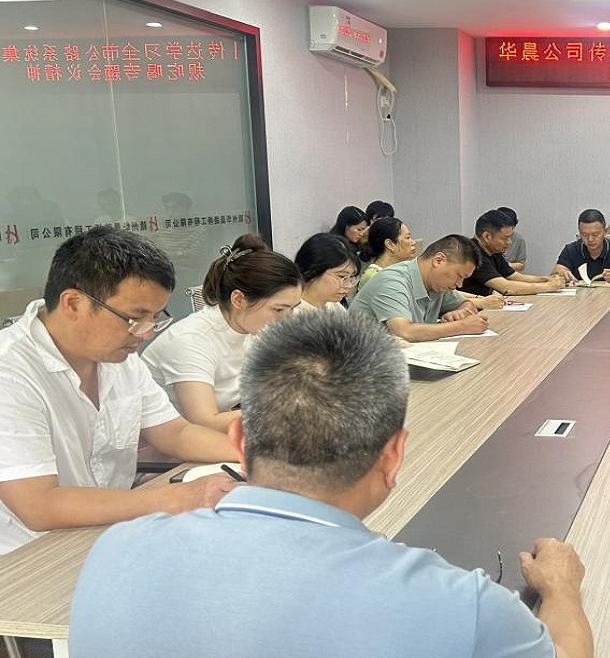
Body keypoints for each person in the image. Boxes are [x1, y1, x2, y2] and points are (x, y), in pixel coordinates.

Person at [68, 311, 593, 658]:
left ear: (239, 440)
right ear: (394, 456)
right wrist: (561, 588)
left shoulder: (118, 550)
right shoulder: (459, 605)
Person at [0, 226, 238, 558]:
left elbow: (175, 433)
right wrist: (181, 497)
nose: (145, 333)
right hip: (30, 556)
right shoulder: (10, 371)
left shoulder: (117, 355)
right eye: (135, 318)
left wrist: (256, 458)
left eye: (155, 317)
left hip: (111, 530)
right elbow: (39, 505)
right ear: (73, 304)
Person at [142, 233, 302, 432]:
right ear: (238, 300)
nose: (288, 318)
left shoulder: (253, 328)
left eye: (293, 308)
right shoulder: (190, 341)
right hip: (171, 447)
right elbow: (205, 421)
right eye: (279, 309)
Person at [350, 234, 489, 341]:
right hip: (362, 363)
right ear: (438, 260)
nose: (459, 284)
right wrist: (461, 326)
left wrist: (460, 312)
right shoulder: (392, 281)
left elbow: (466, 304)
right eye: (459, 276)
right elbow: (404, 332)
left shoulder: (437, 284)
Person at [466, 209, 567, 296]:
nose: (509, 242)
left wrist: (546, 279)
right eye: (505, 238)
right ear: (487, 236)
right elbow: (506, 287)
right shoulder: (472, 254)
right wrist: (548, 286)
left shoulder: (494, 251)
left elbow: (515, 277)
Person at [554, 209, 610, 284]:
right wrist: (561, 273)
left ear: (605, 232)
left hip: (609, 295)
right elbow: (555, 273)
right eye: (585, 235)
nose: (590, 239)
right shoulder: (571, 250)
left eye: (595, 234)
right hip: (579, 295)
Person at [293, 233, 361, 311]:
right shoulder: (290, 312)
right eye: (342, 276)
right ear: (311, 271)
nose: (348, 285)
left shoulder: (333, 305)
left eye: (351, 277)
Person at [360, 217, 418, 289]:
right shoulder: (374, 276)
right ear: (390, 244)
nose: (413, 242)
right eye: (407, 237)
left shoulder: (400, 270)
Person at [498, 206, 528, 272]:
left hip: (508, 274)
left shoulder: (518, 239)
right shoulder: (487, 238)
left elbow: (521, 264)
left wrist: (504, 265)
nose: (509, 242)